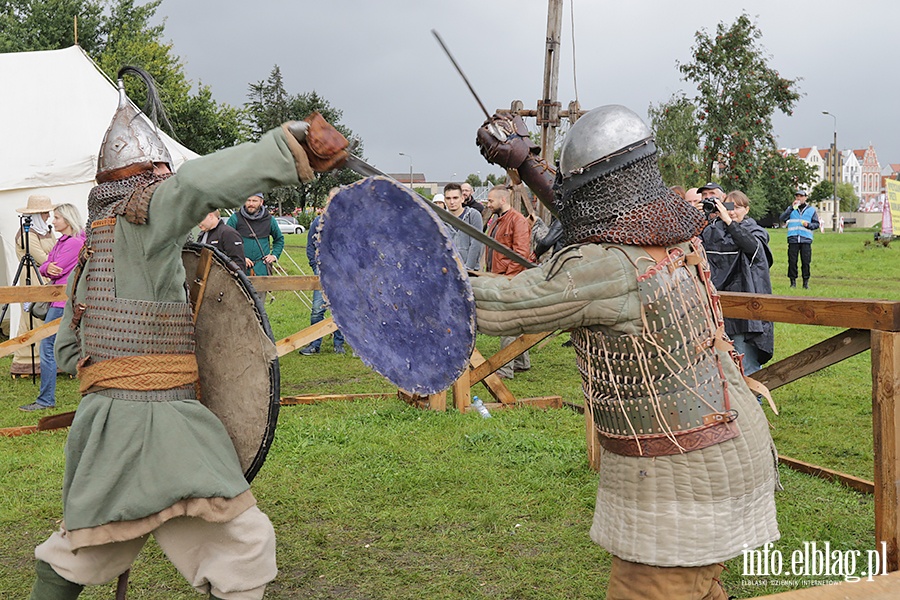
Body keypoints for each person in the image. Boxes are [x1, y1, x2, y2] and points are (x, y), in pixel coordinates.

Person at [27, 66, 340, 599]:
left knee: (89, 542)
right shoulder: (145, 215)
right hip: (160, 421)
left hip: (104, 425)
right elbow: (196, 185)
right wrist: (289, 150)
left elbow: (72, 345)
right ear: (148, 176)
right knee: (242, 545)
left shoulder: (92, 248)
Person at [474, 105, 779, 599]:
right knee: (698, 590)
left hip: (686, 470)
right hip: (726, 439)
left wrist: (408, 279)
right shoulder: (672, 228)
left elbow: (506, 304)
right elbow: (597, 216)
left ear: (593, 190)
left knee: (651, 590)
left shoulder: (608, 265)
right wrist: (525, 162)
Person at [18, 204, 85, 412]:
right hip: (61, 299)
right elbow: (47, 265)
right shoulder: (64, 241)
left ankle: (46, 399)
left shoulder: (73, 243)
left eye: (56, 217)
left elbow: (55, 270)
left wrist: (49, 267)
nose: (52, 220)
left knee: (47, 347)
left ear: (67, 219)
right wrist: (48, 267)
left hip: (60, 301)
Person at [700, 190, 774, 375]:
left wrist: (729, 222)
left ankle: (754, 402)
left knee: (746, 367)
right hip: (718, 312)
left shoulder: (756, 231)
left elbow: (752, 247)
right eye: (728, 206)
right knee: (720, 369)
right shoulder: (714, 231)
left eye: (737, 207)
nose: (732, 211)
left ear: (746, 210)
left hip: (746, 314)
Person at [484, 185, 532, 378]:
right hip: (499, 276)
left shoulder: (517, 220)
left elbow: (521, 254)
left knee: (507, 324)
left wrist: (507, 278)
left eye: (490, 201)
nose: (488, 204)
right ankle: (522, 362)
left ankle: (505, 368)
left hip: (509, 279)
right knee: (515, 322)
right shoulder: (497, 221)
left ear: (502, 200)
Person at [11, 195, 58, 376]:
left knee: (47, 318)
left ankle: (48, 359)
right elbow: (42, 258)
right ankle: (26, 361)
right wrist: (55, 265)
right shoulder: (27, 234)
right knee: (34, 317)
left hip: (47, 279)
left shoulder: (46, 230)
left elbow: (55, 251)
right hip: (34, 278)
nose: (48, 216)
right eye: (45, 212)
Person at [299, 187, 346, 355]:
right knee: (318, 309)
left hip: (341, 275)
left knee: (339, 309)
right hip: (322, 274)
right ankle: (314, 344)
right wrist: (315, 266)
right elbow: (311, 248)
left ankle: (338, 343)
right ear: (327, 201)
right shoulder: (317, 223)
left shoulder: (347, 224)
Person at [226, 192, 284, 276]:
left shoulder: (270, 220)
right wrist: (240, 258)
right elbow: (226, 241)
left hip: (262, 269)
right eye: (248, 200)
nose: (251, 204)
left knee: (262, 289)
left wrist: (274, 255)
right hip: (240, 268)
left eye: (254, 201)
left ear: (261, 202)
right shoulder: (235, 219)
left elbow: (279, 239)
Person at [779, 189, 819, 289]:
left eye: (801, 196)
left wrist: (808, 225)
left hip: (806, 239)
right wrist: (791, 208)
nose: (799, 198)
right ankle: (792, 282)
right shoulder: (791, 209)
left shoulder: (811, 210)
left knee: (806, 262)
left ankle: (805, 283)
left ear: (805, 198)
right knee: (792, 262)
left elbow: (816, 224)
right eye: (797, 196)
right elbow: (782, 218)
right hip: (793, 238)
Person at [443, 183, 484, 270]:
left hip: (470, 270)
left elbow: (476, 243)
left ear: (462, 198)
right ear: (445, 200)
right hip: (448, 270)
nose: (452, 202)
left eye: (455, 198)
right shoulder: (441, 219)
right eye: (448, 198)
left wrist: (468, 268)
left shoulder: (473, 215)